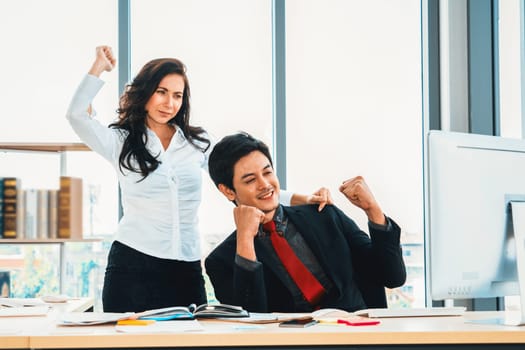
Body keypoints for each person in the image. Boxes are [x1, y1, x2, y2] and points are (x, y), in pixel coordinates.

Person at [66, 46, 332, 313]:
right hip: (132, 264)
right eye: (161, 92)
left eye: (177, 96)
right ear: (145, 92)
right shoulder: (120, 142)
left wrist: (303, 198)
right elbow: (76, 115)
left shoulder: (197, 142)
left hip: (186, 266)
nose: (169, 103)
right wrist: (99, 67)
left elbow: (242, 180)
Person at [205, 132, 407, 313]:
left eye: (267, 173)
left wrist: (372, 209)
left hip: (352, 334)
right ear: (228, 190)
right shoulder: (222, 260)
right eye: (250, 180)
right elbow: (250, 320)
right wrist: (246, 239)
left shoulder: (323, 216)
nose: (265, 185)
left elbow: (392, 276)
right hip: (289, 344)